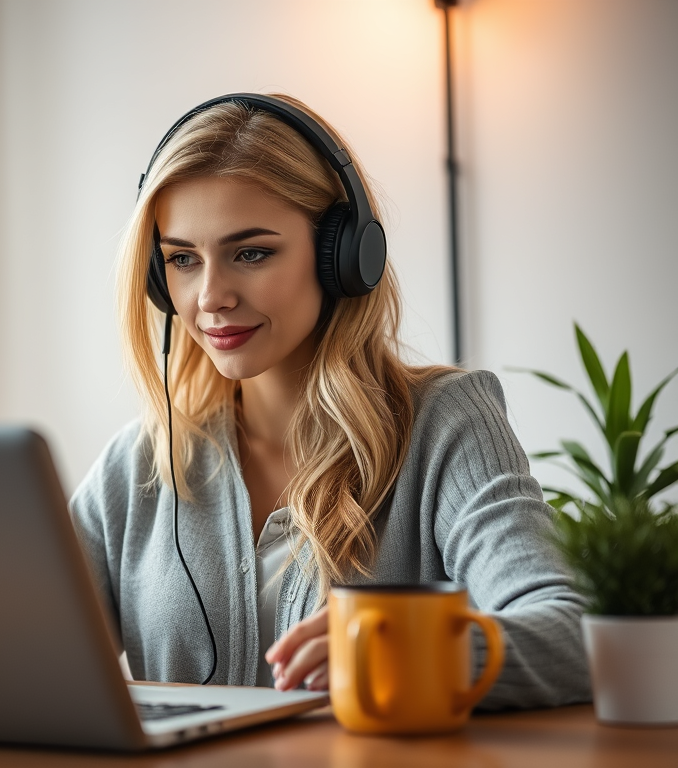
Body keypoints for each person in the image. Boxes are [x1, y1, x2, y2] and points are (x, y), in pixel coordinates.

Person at [69, 93, 590, 709]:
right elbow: (24, 650)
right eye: (181, 260)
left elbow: (574, 634)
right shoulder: (140, 465)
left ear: (341, 255)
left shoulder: (446, 424)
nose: (209, 297)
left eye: (251, 253)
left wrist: (408, 651)